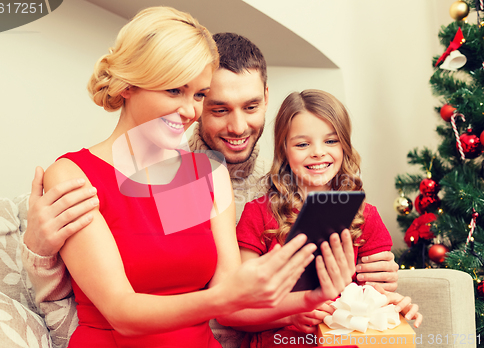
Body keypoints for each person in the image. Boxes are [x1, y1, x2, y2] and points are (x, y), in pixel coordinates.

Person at [21, 31, 398, 346]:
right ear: (127, 86)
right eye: (215, 106)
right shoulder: (79, 175)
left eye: (198, 96)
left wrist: (340, 293)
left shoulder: (223, 178)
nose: (189, 111)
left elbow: (214, 285)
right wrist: (39, 252)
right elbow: (125, 302)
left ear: (267, 96)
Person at [234, 90, 422, 347]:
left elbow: (373, 299)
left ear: (345, 144)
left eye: (331, 141)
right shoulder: (258, 214)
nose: (318, 152)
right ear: (283, 149)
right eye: (302, 144)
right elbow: (237, 312)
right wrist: (290, 313)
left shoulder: (366, 217)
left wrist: (393, 306)